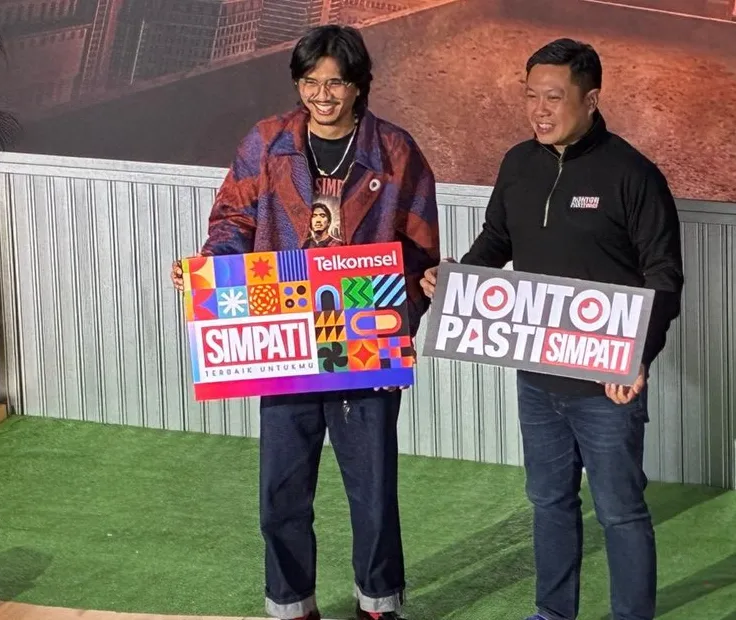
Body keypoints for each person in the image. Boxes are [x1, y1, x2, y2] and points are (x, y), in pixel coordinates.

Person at [171, 24, 440, 620]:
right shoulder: (266, 142)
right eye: (310, 82)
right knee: (282, 491)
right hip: (285, 337)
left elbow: (420, 248)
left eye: (336, 83)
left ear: (359, 85)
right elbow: (233, 222)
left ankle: (378, 604)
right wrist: (211, 271)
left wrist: (401, 317)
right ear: (298, 83)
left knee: (373, 489)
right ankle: (291, 605)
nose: (323, 95)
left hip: (363, 340)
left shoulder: (396, 150)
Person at [420, 38, 683, 620]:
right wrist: (459, 278)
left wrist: (638, 355)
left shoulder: (633, 175)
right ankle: (553, 613)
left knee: (619, 511)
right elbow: (497, 240)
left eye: (554, 98)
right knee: (548, 502)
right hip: (536, 377)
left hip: (606, 384)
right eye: (530, 96)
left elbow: (664, 277)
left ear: (591, 99)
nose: (539, 110)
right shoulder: (517, 163)